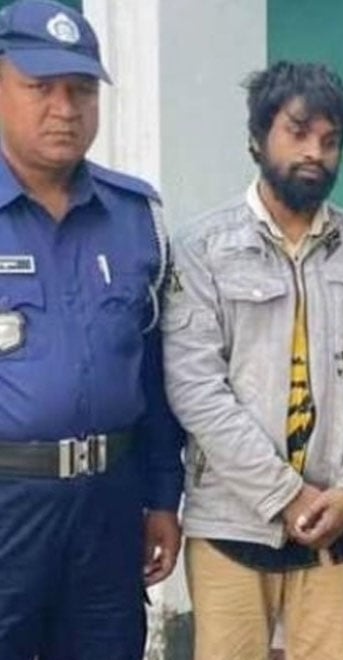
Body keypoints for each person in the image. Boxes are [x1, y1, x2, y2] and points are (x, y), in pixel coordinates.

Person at [162, 61, 343, 660]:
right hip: (232, 523)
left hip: (336, 524)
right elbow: (196, 389)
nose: (315, 151)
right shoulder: (203, 247)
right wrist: (285, 495)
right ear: (258, 137)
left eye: (330, 140)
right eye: (298, 132)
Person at [0, 0, 184, 657]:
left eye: (81, 89)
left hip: (109, 505)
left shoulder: (135, 217)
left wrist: (162, 499)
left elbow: (154, 373)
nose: (65, 108)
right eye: (40, 87)